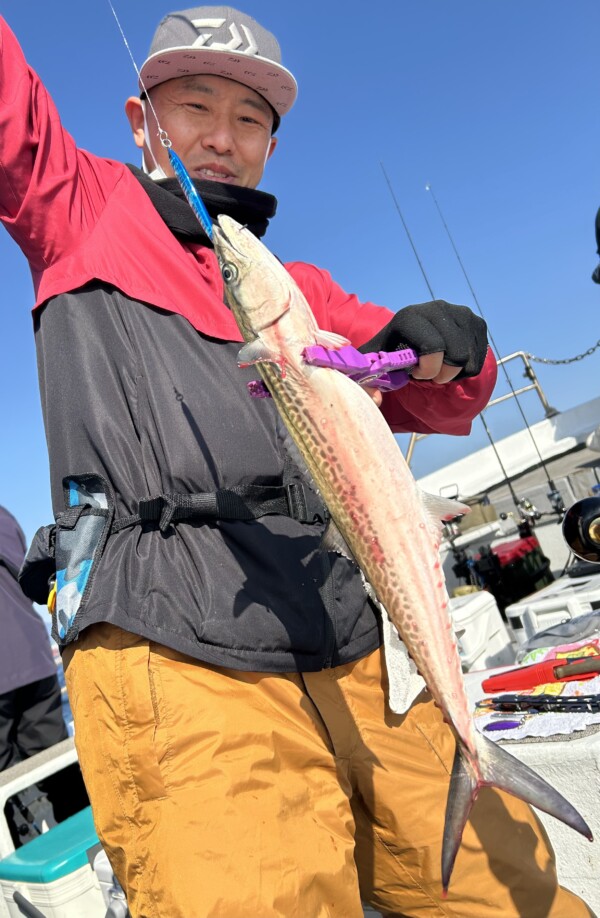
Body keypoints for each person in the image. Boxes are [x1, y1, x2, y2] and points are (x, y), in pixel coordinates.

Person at [0, 7, 592, 917]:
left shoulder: (299, 294)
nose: (222, 140)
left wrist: (454, 352)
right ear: (138, 121)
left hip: (348, 631)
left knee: (504, 892)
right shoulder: (79, 209)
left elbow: (432, 395)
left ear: (272, 146)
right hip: (175, 645)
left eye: (250, 120)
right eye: (193, 106)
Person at [0, 505, 68, 844]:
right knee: (57, 767)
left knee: (9, 786)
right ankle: (88, 857)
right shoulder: (4, 516)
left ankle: (32, 868)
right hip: (35, 657)